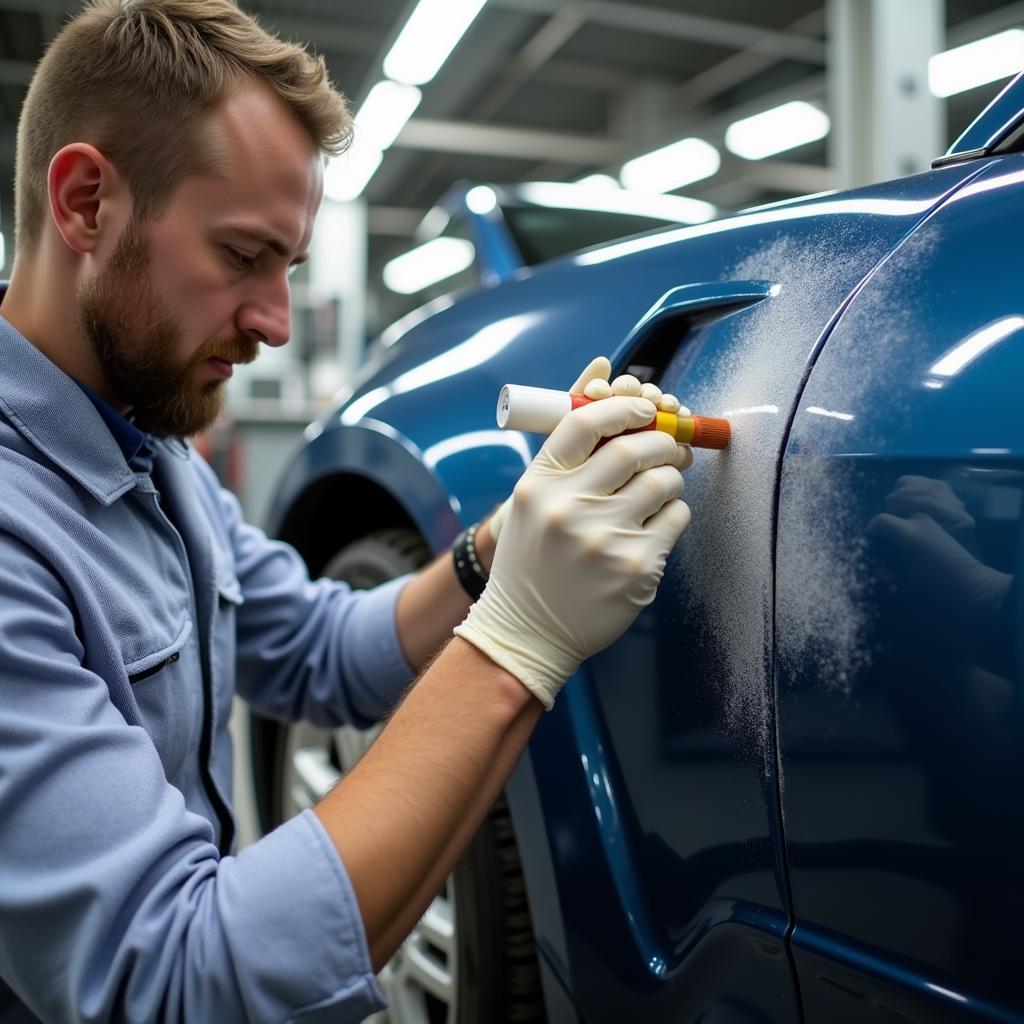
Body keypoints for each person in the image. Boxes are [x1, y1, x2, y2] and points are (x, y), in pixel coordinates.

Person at [0, 2, 691, 1021]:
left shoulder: (155, 454)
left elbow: (319, 648)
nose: (276, 322)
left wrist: (494, 554)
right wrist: (519, 640)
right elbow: (175, 979)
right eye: (243, 256)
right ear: (88, 201)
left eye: (287, 265)